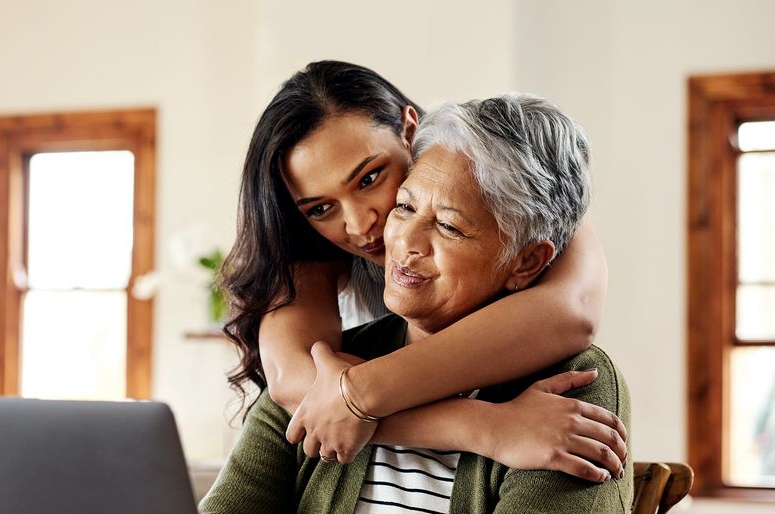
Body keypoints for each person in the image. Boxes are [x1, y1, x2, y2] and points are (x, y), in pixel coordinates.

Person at [201, 95, 639, 514]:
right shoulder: (330, 369)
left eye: (450, 228)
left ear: (527, 262)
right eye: (405, 208)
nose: (399, 241)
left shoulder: (580, 383)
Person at [221, 61, 626, 481]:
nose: (360, 225)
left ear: (409, 130)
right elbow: (297, 384)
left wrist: (359, 394)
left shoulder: (508, 173)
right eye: (322, 208)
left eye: (369, 178)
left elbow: (570, 312)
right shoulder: (309, 248)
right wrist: (484, 427)